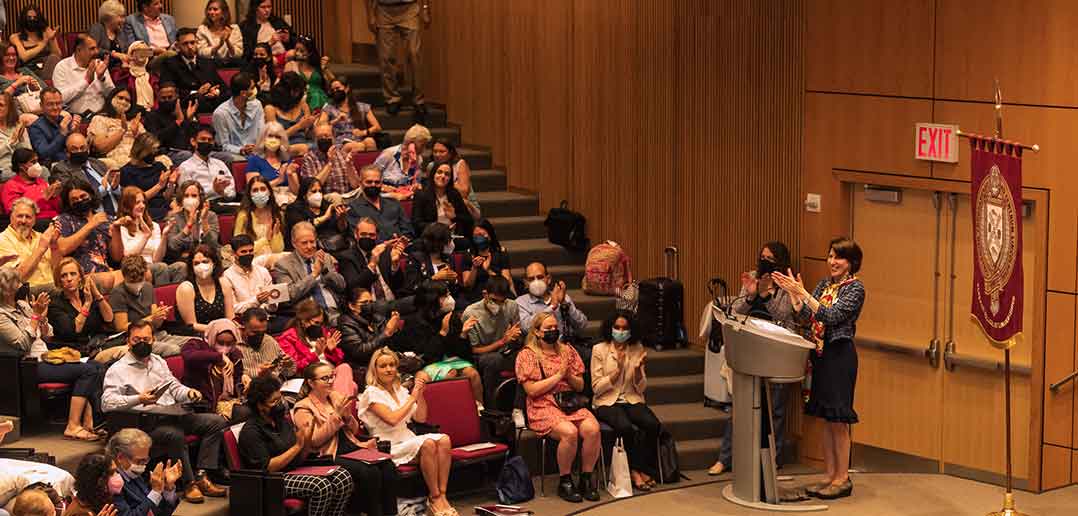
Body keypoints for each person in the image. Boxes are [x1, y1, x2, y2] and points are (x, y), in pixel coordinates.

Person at [772, 237, 865, 500]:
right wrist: (795, 297)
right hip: (820, 356)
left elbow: (832, 316)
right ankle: (829, 473)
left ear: (851, 263)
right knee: (825, 418)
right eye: (830, 256)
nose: (832, 262)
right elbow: (808, 318)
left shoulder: (855, 289)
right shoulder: (824, 284)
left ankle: (842, 478)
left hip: (840, 355)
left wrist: (803, 294)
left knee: (839, 419)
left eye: (839, 257)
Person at [101, 321, 230, 503]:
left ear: (153, 339)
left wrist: (188, 393)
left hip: (171, 413)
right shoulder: (118, 369)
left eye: (146, 339)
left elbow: (173, 387)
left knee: (216, 422)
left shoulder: (158, 361)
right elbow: (106, 402)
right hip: (143, 424)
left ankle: (202, 474)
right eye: (136, 339)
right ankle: (189, 484)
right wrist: (138, 399)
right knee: (174, 434)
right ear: (128, 342)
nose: (142, 343)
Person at [710, 241, 796, 477]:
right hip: (750, 352)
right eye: (763, 257)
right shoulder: (751, 278)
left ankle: (772, 461)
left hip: (778, 353)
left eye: (771, 258)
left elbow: (783, 313)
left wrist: (767, 293)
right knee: (740, 408)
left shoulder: (787, 283)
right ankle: (725, 458)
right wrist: (750, 295)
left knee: (775, 411)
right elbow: (736, 311)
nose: (766, 261)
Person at [0, 267, 106, 442]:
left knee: (97, 366)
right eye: (17, 284)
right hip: (27, 366)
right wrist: (35, 317)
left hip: (47, 356)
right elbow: (22, 344)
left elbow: (48, 333)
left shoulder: (23, 305)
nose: (21, 287)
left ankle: (89, 423)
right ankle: (73, 425)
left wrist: (41, 316)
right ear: (8, 290)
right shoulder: (2, 315)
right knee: (88, 371)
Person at [358, 347, 456, 516]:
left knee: (444, 439)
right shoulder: (370, 393)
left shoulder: (400, 390)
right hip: (387, 445)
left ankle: (442, 496)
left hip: (407, 438)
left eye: (391, 365)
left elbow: (421, 418)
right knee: (428, 443)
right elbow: (393, 419)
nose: (388, 369)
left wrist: (420, 395)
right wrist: (413, 396)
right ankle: (434, 496)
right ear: (375, 369)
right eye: (383, 366)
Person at [292, 362, 399, 516]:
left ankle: (390, 513)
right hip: (328, 454)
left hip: (351, 446)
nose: (330, 381)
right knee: (369, 471)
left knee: (387, 465)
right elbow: (313, 441)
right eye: (325, 378)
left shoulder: (335, 397)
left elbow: (355, 431)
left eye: (331, 377)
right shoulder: (303, 407)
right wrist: (336, 416)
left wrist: (348, 417)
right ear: (310, 382)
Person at [515, 311, 600, 503]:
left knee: (592, 429)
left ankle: (586, 479)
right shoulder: (527, 355)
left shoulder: (567, 350)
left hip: (569, 402)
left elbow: (580, 386)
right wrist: (557, 376)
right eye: (548, 329)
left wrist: (568, 375)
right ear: (537, 332)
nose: (553, 331)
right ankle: (565, 481)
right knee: (569, 432)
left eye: (555, 327)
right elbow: (532, 390)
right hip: (542, 405)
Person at [238, 375, 353, 516]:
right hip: (271, 479)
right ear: (260, 405)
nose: (280, 404)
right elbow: (268, 467)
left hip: (294, 469)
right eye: (274, 401)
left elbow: (299, 458)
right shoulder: (251, 431)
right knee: (321, 485)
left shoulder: (281, 420)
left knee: (343, 477)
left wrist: (306, 441)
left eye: (279, 398)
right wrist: (298, 446)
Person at [591, 310, 663, 492]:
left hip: (631, 398)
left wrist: (638, 371)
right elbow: (596, 387)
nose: (620, 331)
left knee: (652, 424)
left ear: (631, 331)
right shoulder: (599, 350)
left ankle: (641, 468)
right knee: (624, 427)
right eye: (617, 327)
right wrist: (617, 371)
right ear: (610, 328)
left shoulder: (637, 349)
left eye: (625, 328)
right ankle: (635, 471)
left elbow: (641, 388)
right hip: (606, 401)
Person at [391, 280, 482, 407]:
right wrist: (442, 333)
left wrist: (463, 335)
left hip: (452, 361)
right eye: (445, 296)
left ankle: (479, 412)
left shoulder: (452, 317)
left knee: (472, 374)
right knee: (448, 377)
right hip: (425, 364)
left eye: (449, 294)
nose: (449, 299)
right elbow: (426, 356)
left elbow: (463, 354)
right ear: (433, 299)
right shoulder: (414, 322)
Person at [105, 256, 183, 358]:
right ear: (124, 276)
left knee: (194, 342)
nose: (136, 284)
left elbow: (155, 324)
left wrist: (160, 316)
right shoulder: (118, 293)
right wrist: (151, 318)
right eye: (132, 281)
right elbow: (121, 327)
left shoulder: (148, 287)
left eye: (139, 279)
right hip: (137, 340)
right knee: (174, 349)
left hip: (156, 334)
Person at [462, 276, 521, 408]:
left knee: (527, 357)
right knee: (493, 361)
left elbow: (516, 331)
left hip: (507, 351)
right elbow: (474, 350)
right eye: (494, 300)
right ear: (485, 294)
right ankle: (492, 409)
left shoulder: (512, 306)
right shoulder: (471, 313)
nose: (498, 306)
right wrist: (502, 341)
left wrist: (515, 337)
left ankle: (520, 407)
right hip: (483, 355)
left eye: (502, 302)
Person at [276, 299, 355, 396]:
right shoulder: (287, 338)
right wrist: (315, 355)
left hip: (330, 373)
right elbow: (293, 368)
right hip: (311, 378)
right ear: (303, 321)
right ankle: (339, 408)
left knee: (345, 369)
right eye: (316, 323)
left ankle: (339, 407)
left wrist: (330, 351)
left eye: (321, 323)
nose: (320, 326)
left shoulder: (323, 332)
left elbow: (339, 361)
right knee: (351, 386)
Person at [54, 179, 124, 288]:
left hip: (106, 271)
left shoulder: (105, 219)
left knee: (137, 275)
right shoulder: (64, 220)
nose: (80, 201)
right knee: (109, 279)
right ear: (69, 203)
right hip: (80, 276)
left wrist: (117, 230)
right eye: (74, 199)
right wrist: (91, 224)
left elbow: (117, 257)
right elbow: (63, 248)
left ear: (91, 195)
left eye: (83, 196)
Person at [366, 0, 430, 118]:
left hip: (409, 8)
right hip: (384, 10)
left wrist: (425, 8)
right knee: (386, 56)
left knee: (414, 54)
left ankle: (418, 99)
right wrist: (370, 14)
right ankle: (392, 98)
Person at [272, 222, 345, 322]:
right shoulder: (283, 265)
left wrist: (325, 271)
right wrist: (314, 275)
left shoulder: (325, 258)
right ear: (294, 243)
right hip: (308, 318)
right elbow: (289, 295)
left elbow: (341, 286)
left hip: (335, 313)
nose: (310, 246)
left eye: (312, 241)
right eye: (304, 243)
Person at [181, 318, 249, 422]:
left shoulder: (235, 355)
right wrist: (219, 357)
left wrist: (243, 383)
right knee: (242, 413)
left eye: (229, 344)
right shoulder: (196, 345)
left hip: (228, 401)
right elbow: (189, 356)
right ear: (213, 337)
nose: (224, 348)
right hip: (203, 404)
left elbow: (237, 384)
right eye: (220, 343)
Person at [105, 429, 182, 515]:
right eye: (139, 461)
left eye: (146, 460)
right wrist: (155, 492)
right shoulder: (112, 484)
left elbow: (162, 512)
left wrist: (168, 488)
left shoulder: (134, 475)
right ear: (120, 457)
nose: (143, 466)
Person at [47, 257, 114, 351]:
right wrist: (87, 304)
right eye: (64, 276)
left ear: (80, 277)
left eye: (73, 274)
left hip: (99, 345)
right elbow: (73, 331)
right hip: (75, 351)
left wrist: (97, 294)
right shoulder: (55, 304)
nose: (69, 279)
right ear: (59, 281)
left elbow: (109, 318)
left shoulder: (86, 295)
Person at [516, 261, 588, 344]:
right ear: (526, 283)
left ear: (548, 279)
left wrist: (564, 303)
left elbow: (582, 325)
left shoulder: (562, 297)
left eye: (540, 277)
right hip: (538, 349)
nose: (536, 282)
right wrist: (552, 307)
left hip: (565, 346)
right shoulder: (521, 302)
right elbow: (526, 328)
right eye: (531, 279)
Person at [337, 217, 407, 300]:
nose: (367, 237)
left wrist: (395, 265)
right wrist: (372, 264)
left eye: (371, 235)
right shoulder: (347, 257)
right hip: (369, 305)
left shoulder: (384, 252)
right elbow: (353, 288)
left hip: (392, 301)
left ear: (376, 236)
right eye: (363, 234)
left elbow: (399, 285)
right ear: (356, 235)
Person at [159, 28, 226, 115]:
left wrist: (216, 91)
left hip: (212, 103)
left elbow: (222, 87)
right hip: (187, 106)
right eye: (185, 44)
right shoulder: (170, 64)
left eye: (192, 43)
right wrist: (197, 93)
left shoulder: (207, 63)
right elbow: (169, 91)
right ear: (178, 46)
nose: (190, 47)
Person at [338, 288, 401, 376]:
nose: (369, 305)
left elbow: (392, 344)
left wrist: (395, 329)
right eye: (364, 303)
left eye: (371, 302)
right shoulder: (345, 324)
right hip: (362, 368)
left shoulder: (375, 317)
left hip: (382, 361)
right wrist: (386, 333)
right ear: (351, 306)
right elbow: (360, 351)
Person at [0, 197, 59, 289]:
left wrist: (54, 245)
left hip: (53, 288)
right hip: (26, 292)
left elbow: (58, 270)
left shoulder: (41, 237)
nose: (23, 221)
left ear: (35, 220)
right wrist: (41, 249)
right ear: (11, 217)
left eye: (28, 217)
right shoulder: (3, 239)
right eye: (20, 216)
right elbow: (17, 278)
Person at [175, 244, 234, 334]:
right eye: (196, 263)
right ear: (192, 267)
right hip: (196, 335)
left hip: (223, 333)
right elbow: (191, 325)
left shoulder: (223, 283)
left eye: (205, 262)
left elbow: (230, 317)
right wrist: (218, 329)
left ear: (214, 264)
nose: (201, 266)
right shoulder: (186, 288)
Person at [52, 34, 114, 118]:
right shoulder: (62, 67)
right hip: (74, 118)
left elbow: (112, 95)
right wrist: (86, 82)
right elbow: (60, 99)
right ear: (79, 50)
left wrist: (102, 78)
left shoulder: (100, 65)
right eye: (92, 49)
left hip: (101, 114)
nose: (96, 52)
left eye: (96, 48)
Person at [118, 134, 179, 220]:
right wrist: (159, 186)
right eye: (151, 151)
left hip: (163, 207)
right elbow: (135, 201)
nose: (154, 154)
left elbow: (166, 196)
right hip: (144, 211)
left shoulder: (159, 166)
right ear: (141, 151)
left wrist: (171, 183)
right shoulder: (127, 171)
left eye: (155, 150)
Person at [346, 165, 414, 240]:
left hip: (402, 248)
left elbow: (408, 230)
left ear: (381, 184)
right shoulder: (353, 208)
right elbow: (359, 238)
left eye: (377, 182)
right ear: (360, 183)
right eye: (369, 182)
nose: (373, 185)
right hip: (375, 250)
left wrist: (402, 243)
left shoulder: (394, 203)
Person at [404, 223, 471, 299]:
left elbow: (455, 292)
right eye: (448, 240)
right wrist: (434, 278)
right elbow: (412, 288)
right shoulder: (416, 259)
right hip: (425, 302)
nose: (450, 243)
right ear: (439, 242)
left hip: (449, 301)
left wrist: (454, 282)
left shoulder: (449, 259)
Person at [49, 134, 114, 212]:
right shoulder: (61, 169)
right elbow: (72, 199)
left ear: (88, 149)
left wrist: (116, 188)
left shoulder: (97, 163)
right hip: (91, 215)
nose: (79, 151)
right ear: (67, 152)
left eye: (83, 148)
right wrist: (102, 190)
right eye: (74, 149)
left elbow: (114, 187)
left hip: (119, 211)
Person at [412, 161, 473, 240]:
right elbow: (417, 223)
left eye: (447, 174)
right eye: (439, 172)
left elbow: (469, 221)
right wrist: (440, 229)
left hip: (453, 238)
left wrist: (454, 217)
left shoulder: (454, 194)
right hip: (431, 238)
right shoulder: (421, 195)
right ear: (433, 174)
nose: (443, 176)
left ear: (450, 178)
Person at [283, 177, 348, 251]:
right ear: (304, 195)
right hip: (309, 247)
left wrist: (342, 218)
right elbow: (302, 228)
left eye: (320, 191)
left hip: (334, 245)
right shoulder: (293, 209)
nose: (318, 194)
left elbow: (342, 230)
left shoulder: (327, 206)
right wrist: (325, 217)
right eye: (314, 191)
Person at [87, 88, 145, 171]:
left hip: (139, 156)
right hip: (116, 159)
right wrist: (122, 131)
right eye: (120, 98)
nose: (123, 102)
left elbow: (148, 145)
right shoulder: (100, 119)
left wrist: (136, 134)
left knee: (163, 160)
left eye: (127, 100)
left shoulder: (135, 122)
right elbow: (101, 148)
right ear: (111, 98)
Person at [212, 72, 265, 160]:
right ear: (243, 93)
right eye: (252, 88)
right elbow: (223, 145)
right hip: (235, 154)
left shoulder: (257, 105)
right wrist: (241, 150)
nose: (255, 90)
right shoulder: (220, 113)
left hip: (257, 151)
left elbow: (262, 132)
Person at [164, 181, 220, 263]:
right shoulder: (173, 217)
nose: (190, 199)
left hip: (207, 258)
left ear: (200, 198)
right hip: (183, 261)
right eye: (186, 196)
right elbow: (172, 246)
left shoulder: (210, 216)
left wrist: (204, 221)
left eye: (194, 196)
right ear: (181, 198)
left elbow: (213, 244)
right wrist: (188, 226)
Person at [176, 125, 235, 202]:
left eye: (210, 140)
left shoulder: (220, 164)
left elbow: (232, 192)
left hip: (224, 203)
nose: (207, 142)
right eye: (203, 139)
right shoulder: (185, 167)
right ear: (193, 141)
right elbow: (188, 197)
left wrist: (222, 192)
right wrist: (214, 190)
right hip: (201, 206)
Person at [234, 306, 294, 381]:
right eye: (255, 332)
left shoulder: (269, 340)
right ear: (243, 325)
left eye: (263, 332)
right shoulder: (234, 346)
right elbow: (234, 378)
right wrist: (260, 374)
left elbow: (289, 373)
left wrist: (288, 365)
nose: (259, 336)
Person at [143, 84, 198, 165]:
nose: (167, 100)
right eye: (163, 98)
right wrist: (177, 122)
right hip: (168, 153)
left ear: (176, 97)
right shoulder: (152, 116)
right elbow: (156, 139)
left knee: (222, 156)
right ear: (158, 98)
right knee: (187, 156)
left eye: (170, 97)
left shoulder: (185, 112)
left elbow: (195, 136)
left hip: (191, 150)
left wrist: (189, 120)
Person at [222, 235, 276, 315]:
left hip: (267, 316)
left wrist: (271, 302)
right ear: (234, 254)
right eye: (243, 252)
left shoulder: (263, 271)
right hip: (243, 320)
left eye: (251, 251)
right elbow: (232, 308)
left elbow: (272, 305)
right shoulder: (227, 276)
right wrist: (256, 301)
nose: (248, 254)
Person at [301, 123, 360, 195]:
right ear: (315, 139)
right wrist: (330, 163)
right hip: (324, 199)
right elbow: (311, 188)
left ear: (334, 137)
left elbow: (356, 185)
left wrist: (349, 165)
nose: (324, 139)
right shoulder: (309, 158)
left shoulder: (343, 155)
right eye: (320, 137)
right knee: (335, 196)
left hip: (346, 197)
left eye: (327, 136)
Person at [244, 121, 299, 197]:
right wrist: (279, 180)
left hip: (288, 198)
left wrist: (290, 175)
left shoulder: (287, 159)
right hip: (265, 198)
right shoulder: (254, 160)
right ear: (263, 138)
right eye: (270, 136)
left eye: (277, 137)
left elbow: (296, 192)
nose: (273, 140)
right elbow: (254, 190)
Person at [233, 175, 284, 257]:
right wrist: (265, 240)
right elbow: (239, 248)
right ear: (249, 194)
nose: (259, 193)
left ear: (269, 192)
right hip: (250, 258)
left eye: (263, 189)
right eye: (255, 190)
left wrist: (275, 235)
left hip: (273, 257)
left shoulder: (277, 214)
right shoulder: (243, 215)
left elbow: (278, 250)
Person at [265, 72, 316, 154]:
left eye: (299, 91)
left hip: (304, 143)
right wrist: (299, 126)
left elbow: (308, 136)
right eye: (295, 91)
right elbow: (274, 140)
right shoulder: (270, 109)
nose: (297, 94)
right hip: (281, 147)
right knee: (303, 148)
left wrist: (310, 125)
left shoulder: (303, 105)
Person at [320, 79, 379, 150]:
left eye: (337, 88)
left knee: (370, 141)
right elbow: (321, 126)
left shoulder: (361, 106)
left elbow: (377, 127)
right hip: (341, 142)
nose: (335, 91)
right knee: (358, 146)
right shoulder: (329, 108)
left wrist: (363, 132)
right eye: (333, 90)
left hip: (358, 139)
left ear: (347, 88)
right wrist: (336, 120)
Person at [1, 148, 58, 219]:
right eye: (33, 162)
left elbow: (56, 208)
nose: (37, 165)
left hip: (54, 218)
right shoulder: (11, 186)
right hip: (33, 222)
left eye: (37, 161)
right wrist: (42, 198)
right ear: (21, 166)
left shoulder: (41, 182)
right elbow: (14, 211)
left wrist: (55, 196)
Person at [429, 139, 479, 219]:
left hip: (465, 203)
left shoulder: (460, 164)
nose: (437, 154)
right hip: (441, 201)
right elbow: (431, 188)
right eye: (435, 151)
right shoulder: (431, 166)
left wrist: (445, 183)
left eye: (442, 151)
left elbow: (464, 192)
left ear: (450, 153)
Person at [27, 87, 78, 167]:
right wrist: (62, 134)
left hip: (75, 162)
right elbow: (44, 154)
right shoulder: (35, 128)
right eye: (50, 104)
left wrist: (76, 132)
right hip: (54, 167)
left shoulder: (66, 121)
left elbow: (77, 148)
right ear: (41, 106)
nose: (55, 107)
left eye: (58, 103)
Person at [9, 4, 60, 80]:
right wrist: (44, 42)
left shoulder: (46, 32)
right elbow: (24, 57)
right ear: (23, 19)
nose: (32, 20)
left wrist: (52, 39)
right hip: (29, 71)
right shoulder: (15, 37)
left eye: (35, 18)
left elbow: (57, 56)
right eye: (29, 18)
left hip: (48, 68)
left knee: (54, 58)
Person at [467, 219, 515, 300]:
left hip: (498, 291)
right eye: (476, 236)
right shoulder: (469, 254)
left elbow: (505, 282)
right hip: (479, 295)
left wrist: (488, 270)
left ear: (489, 236)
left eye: (481, 235)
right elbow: (468, 285)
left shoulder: (500, 252)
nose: (479, 238)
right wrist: (474, 268)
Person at [373, 124, 430, 192]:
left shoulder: (419, 159)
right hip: (385, 197)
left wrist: (416, 185)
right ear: (412, 143)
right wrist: (383, 187)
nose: (424, 149)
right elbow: (371, 177)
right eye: (423, 145)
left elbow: (416, 182)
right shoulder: (389, 154)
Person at [282, 35, 332, 111]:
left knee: (317, 96)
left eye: (302, 51)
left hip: (321, 98)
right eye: (296, 50)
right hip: (300, 98)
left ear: (310, 52)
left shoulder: (317, 66)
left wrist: (324, 68)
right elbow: (285, 85)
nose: (298, 53)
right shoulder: (291, 65)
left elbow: (332, 82)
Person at [0, 41, 46, 115]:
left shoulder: (24, 71)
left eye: (14, 55)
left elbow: (45, 89)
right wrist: (18, 83)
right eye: (7, 55)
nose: (11, 58)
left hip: (36, 108)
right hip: (13, 113)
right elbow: (2, 99)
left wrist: (35, 88)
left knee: (66, 115)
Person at [88, 1, 131, 79]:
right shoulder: (97, 29)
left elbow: (126, 51)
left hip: (122, 70)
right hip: (103, 71)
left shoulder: (120, 32)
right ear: (109, 17)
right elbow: (93, 50)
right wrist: (113, 54)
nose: (123, 20)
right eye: (120, 17)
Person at [197, 1, 243, 65]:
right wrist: (219, 45)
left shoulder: (234, 28)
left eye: (215, 9)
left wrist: (227, 41)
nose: (211, 12)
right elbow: (201, 53)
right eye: (209, 9)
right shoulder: (202, 29)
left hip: (232, 66)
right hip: (209, 66)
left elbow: (239, 54)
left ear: (224, 12)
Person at [0, 91, 31, 180]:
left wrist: (21, 138)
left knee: (43, 171)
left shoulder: (18, 127)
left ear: (9, 108)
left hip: (21, 168)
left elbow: (29, 152)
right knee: (12, 175)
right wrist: (11, 141)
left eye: (1, 105)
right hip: (3, 170)